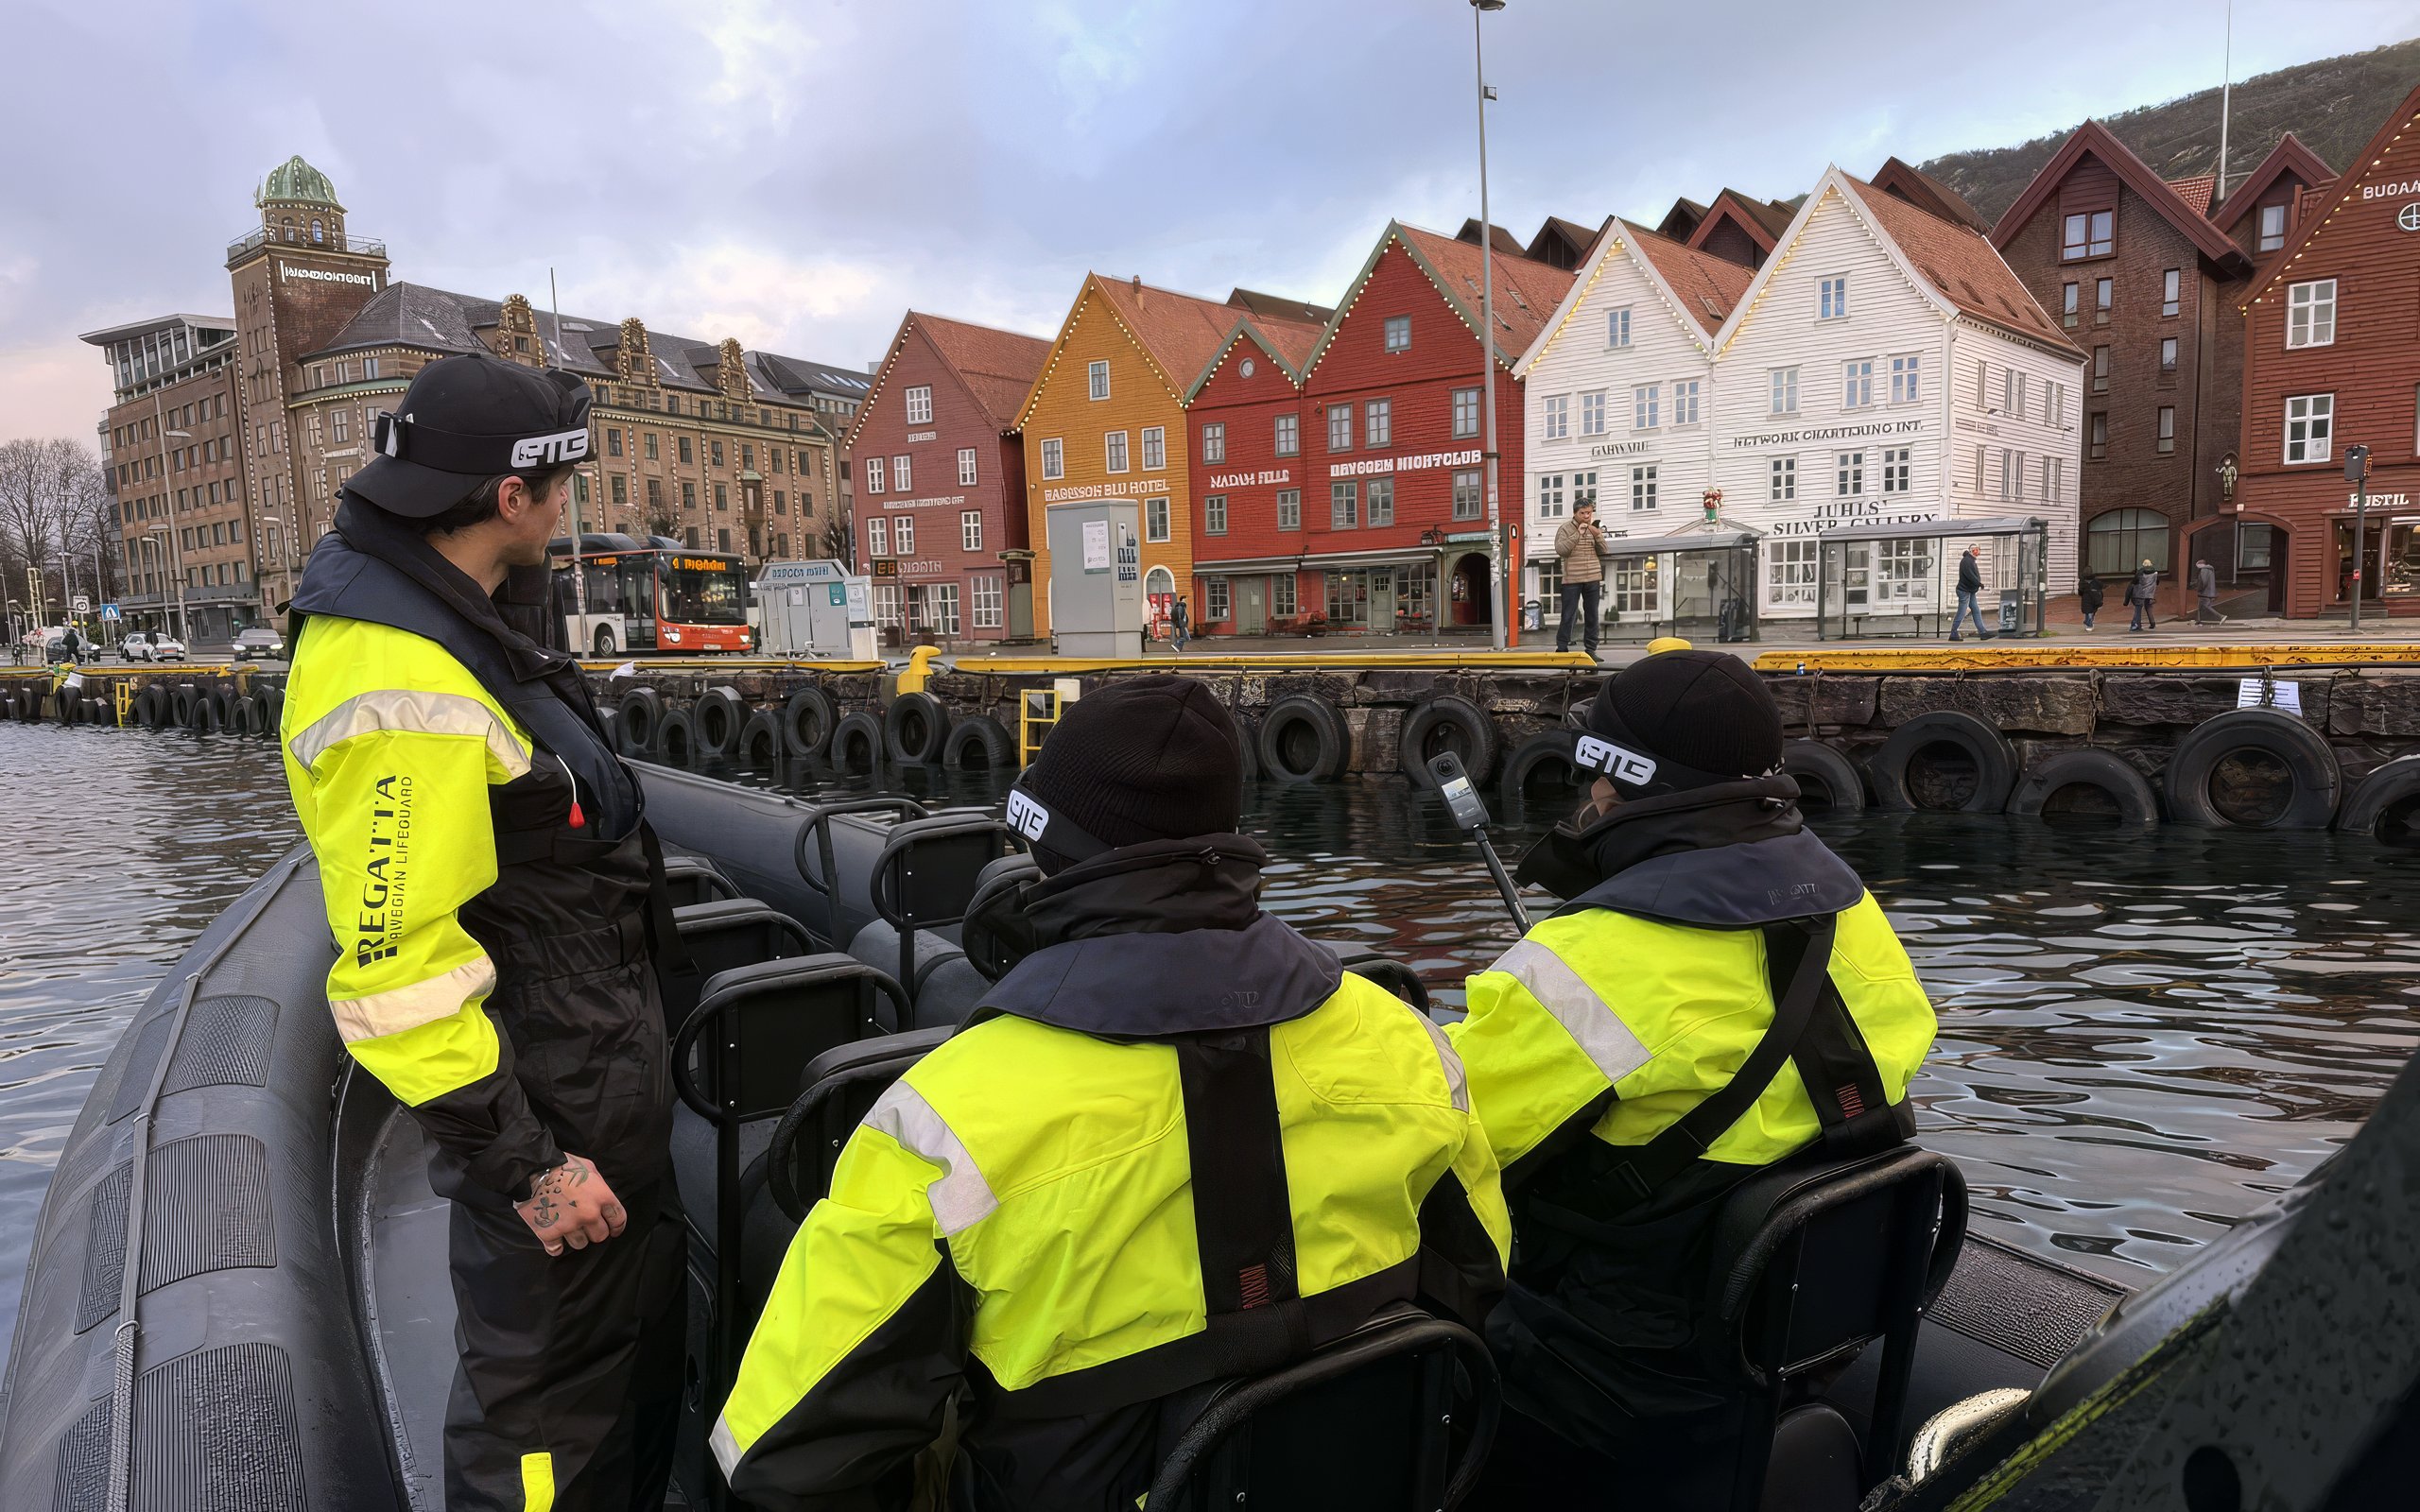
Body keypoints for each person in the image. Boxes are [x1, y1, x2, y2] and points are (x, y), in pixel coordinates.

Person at [716, 675, 1510, 1508]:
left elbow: (783, 1450)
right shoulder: (1407, 1041)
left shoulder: (945, 1121)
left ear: (1047, 857)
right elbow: (1479, 1273)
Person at [280, 353, 686, 1511]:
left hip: (593, 1082)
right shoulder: (402, 679)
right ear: (513, 498)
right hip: (553, 1127)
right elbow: (396, 969)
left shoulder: (445, 612)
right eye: (564, 484)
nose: (571, 507)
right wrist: (529, 1166)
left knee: (612, 1398)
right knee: (542, 1434)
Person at [1448, 650, 1937, 1499]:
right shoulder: (1855, 911)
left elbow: (1446, 1150)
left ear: (1616, 781)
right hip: (1800, 1341)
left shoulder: (1584, 962)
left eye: (1591, 770)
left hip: (1622, 1376)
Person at [1555, 500, 1611, 656]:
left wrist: (1597, 534)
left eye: (1589, 513)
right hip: (1572, 579)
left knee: (1592, 614)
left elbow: (1604, 551)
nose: (1586, 516)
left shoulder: (1594, 528)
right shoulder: (1565, 528)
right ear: (1575, 513)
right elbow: (1561, 550)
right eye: (1582, 513)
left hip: (1592, 577)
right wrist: (1577, 533)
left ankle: (1591, 650)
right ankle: (1562, 648)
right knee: (1568, 614)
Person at [1950, 543, 1994, 640]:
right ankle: (1953, 633)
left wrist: (1977, 584)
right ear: (1971, 551)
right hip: (1964, 591)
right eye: (1975, 550)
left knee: (1976, 610)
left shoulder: (1969, 560)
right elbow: (1970, 575)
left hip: (1969, 590)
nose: (1977, 552)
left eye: (1978, 550)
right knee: (1962, 612)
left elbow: (1971, 575)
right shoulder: (1967, 561)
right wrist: (1979, 583)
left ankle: (1982, 632)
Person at [2129, 558, 2161, 631]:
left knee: (2138, 609)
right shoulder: (2155, 573)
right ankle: (2152, 623)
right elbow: (2157, 582)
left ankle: (2136, 624)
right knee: (2149, 607)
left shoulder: (2140, 572)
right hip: (2150, 593)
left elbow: (2135, 581)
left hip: (2141, 593)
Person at [2195, 558, 2222, 624]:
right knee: (2200, 605)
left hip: (2205, 592)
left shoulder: (2204, 570)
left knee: (2206, 605)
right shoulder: (2210, 570)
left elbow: (2203, 581)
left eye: (2197, 566)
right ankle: (2198, 620)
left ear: (2201, 565)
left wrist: (2199, 589)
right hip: (2209, 591)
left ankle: (2221, 616)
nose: (2197, 567)